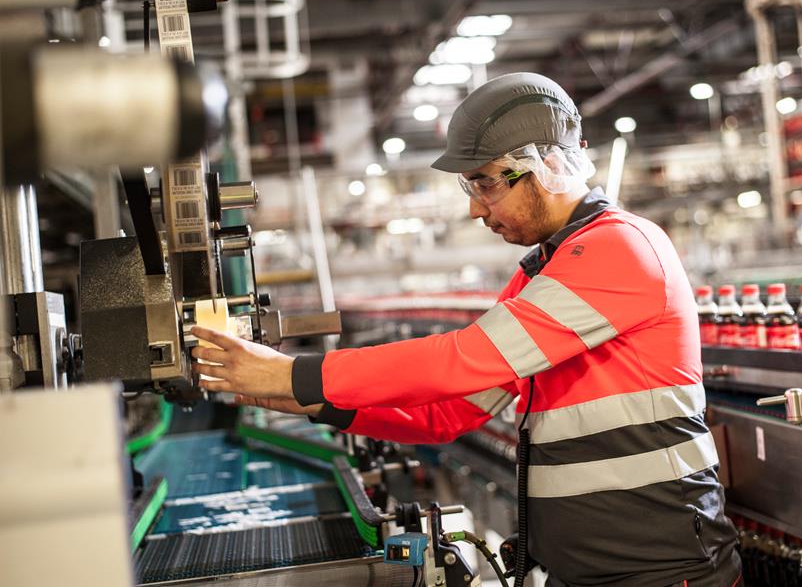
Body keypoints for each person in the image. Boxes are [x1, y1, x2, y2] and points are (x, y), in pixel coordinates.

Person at [191, 72, 742, 587]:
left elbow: (462, 358)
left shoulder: (620, 248)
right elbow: (448, 412)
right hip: (589, 571)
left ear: (547, 164)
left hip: (665, 569)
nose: (478, 210)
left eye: (486, 184)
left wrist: (298, 374)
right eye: (470, 188)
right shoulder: (541, 275)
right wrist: (316, 404)